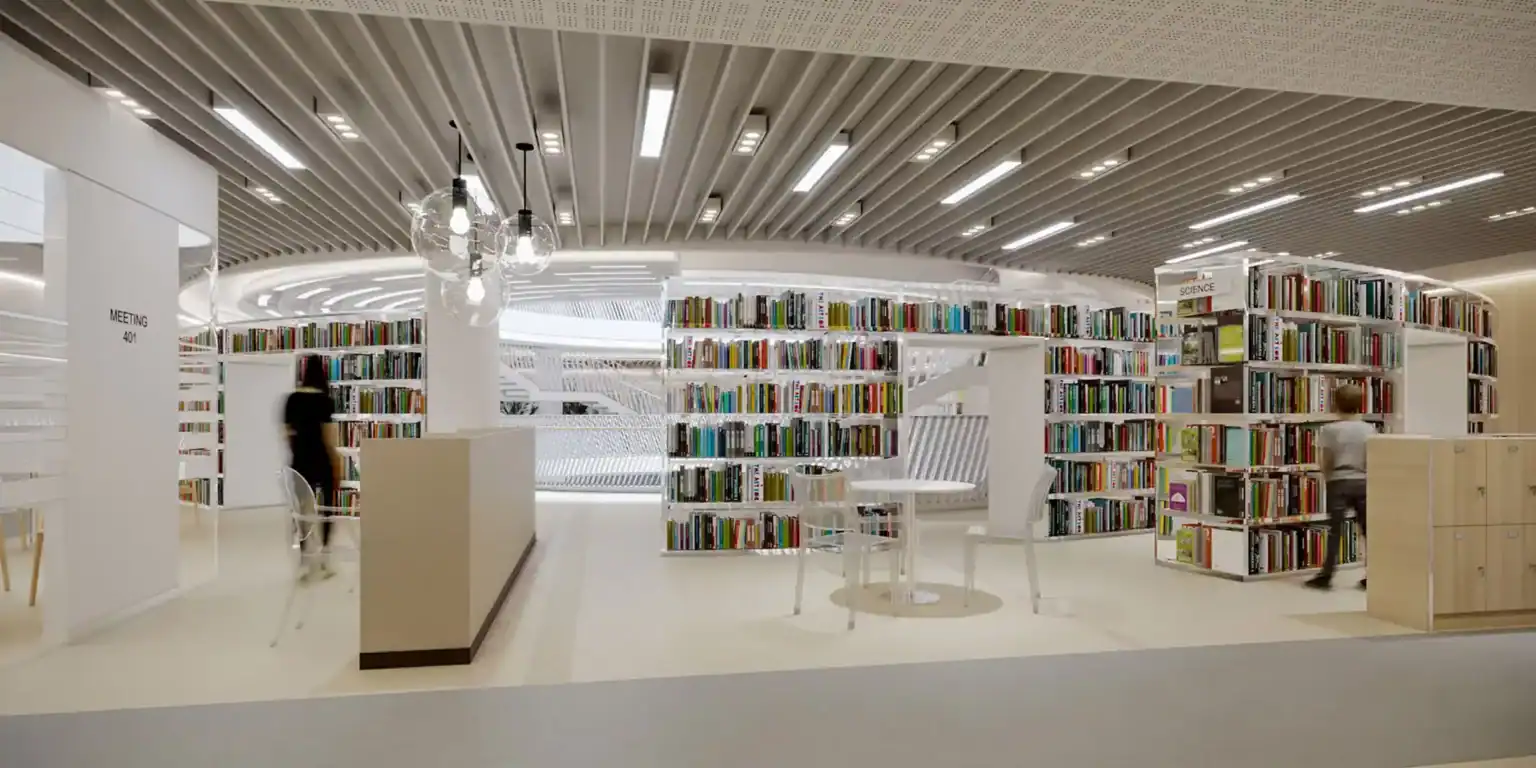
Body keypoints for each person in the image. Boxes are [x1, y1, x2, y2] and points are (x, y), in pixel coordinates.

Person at [1304, 383, 1373, 591]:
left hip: (1339, 481)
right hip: (1363, 481)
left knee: (1335, 530)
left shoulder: (1329, 430)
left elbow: (1326, 460)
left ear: (1336, 404)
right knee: (1368, 531)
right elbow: (1372, 457)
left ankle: (1326, 575)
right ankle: (1372, 575)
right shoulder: (1369, 429)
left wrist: (1327, 478)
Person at [284, 354, 342, 580]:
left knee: (302, 511)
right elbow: (329, 438)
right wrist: (336, 463)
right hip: (322, 461)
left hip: (300, 462)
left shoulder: (291, 400)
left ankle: (305, 560)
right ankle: (326, 558)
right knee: (327, 509)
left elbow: (287, 435)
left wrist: (298, 451)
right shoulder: (325, 401)